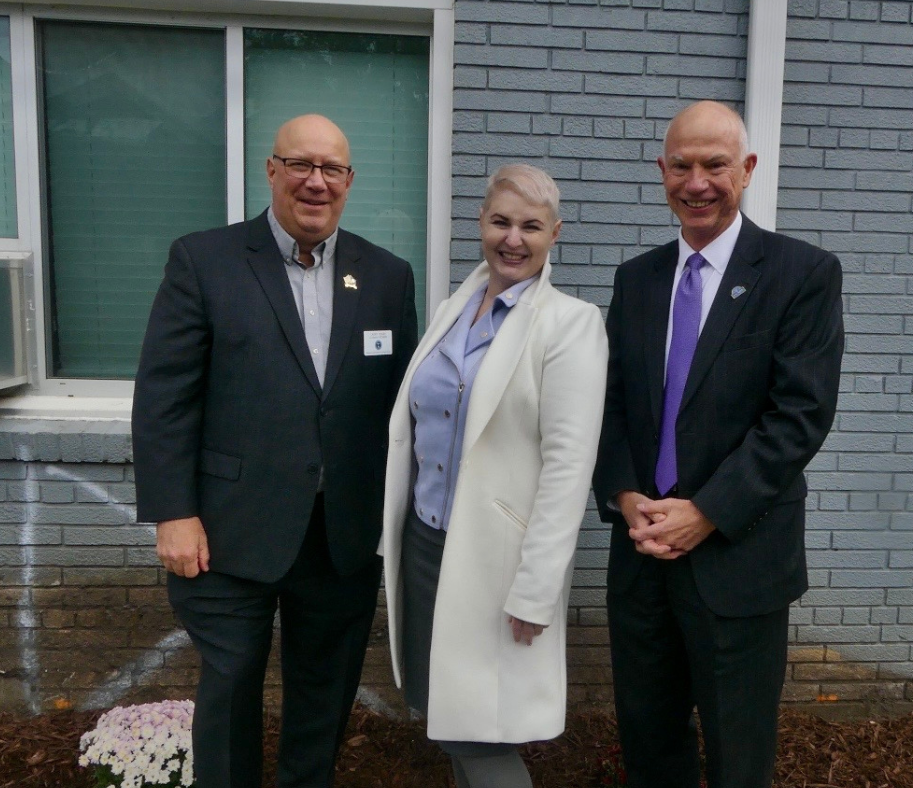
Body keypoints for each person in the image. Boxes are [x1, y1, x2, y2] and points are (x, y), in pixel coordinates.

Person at [132, 114, 418, 788]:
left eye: (332, 170)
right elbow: (165, 394)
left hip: (342, 536)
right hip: (228, 530)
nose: (315, 182)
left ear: (350, 182)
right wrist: (172, 511)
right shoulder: (204, 260)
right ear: (271, 170)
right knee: (231, 690)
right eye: (300, 164)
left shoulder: (386, 276)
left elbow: (402, 405)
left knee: (323, 700)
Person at [594, 100, 844, 788]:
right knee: (650, 746)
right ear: (662, 172)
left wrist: (704, 511)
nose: (697, 182)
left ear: (748, 170)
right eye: (682, 165)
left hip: (739, 561)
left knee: (738, 757)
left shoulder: (803, 274)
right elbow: (609, 404)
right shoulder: (636, 279)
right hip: (641, 556)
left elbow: (800, 415)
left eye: (715, 165)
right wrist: (622, 495)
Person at [381, 164, 608, 788]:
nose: (513, 238)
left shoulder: (569, 324)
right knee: (444, 712)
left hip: (497, 564)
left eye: (530, 226)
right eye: (501, 221)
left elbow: (568, 467)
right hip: (425, 546)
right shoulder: (454, 308)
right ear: (480, 224)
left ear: (554, 234)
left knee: (478, 732)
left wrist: (536, 590)